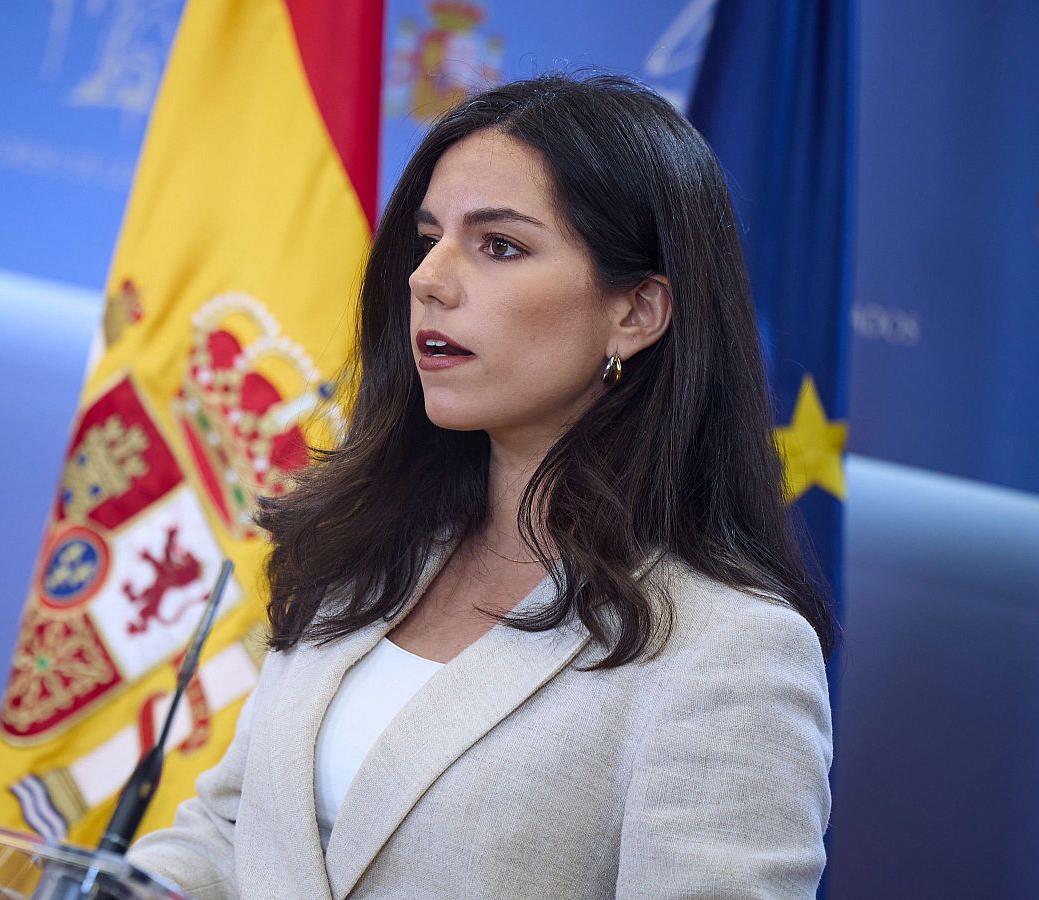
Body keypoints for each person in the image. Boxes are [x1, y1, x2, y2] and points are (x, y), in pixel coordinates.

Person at [126, 73, 836, 899]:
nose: (429, 277)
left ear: (637, 312)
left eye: (499, 245)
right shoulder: (367, 545)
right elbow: (235, 834)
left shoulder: (731, 650)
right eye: (429, 238)